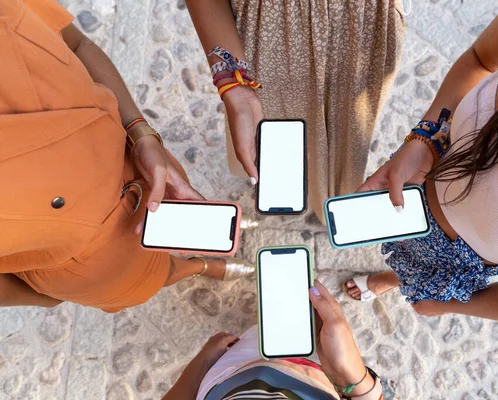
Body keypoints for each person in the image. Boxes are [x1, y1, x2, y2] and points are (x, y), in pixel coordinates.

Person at [344, 0, 498, 325]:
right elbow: (480, 60)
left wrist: (448, 305)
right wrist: (425, 138)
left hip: (450, 260)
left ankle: (395, 280)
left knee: (417, 277)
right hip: (415, 179)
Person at [0, 0, 255, 313]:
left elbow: (77, 43)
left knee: (184, 218)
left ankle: (203, 251)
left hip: (138, 160)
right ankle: (198, 267)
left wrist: (140, 133)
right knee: (161, 274)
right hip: (90, 265)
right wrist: (52, 296)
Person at [186, 0, 407, 223]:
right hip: (271, 31)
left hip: (358, 27)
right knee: (266, 128)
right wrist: (234, 88)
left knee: (345, 136)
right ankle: (285, 184)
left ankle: (329, 200)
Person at [164, 281, 383, 400]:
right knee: (293, 325)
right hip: (325, 375)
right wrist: (350, 376)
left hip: (233, 369)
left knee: (266, 330)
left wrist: (203, 362)